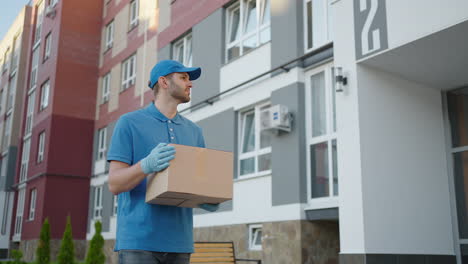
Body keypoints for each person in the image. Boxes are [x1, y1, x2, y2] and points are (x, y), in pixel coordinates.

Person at [107, 60, 219, 264]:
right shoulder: (129, 123)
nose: (190, 83)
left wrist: (208, 197)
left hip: (180, 243)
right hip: (139, 243)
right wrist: (145, 165)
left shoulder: (194, 132)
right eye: (184, 77)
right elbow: (114, 184)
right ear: (164, 82)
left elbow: (196, 183)